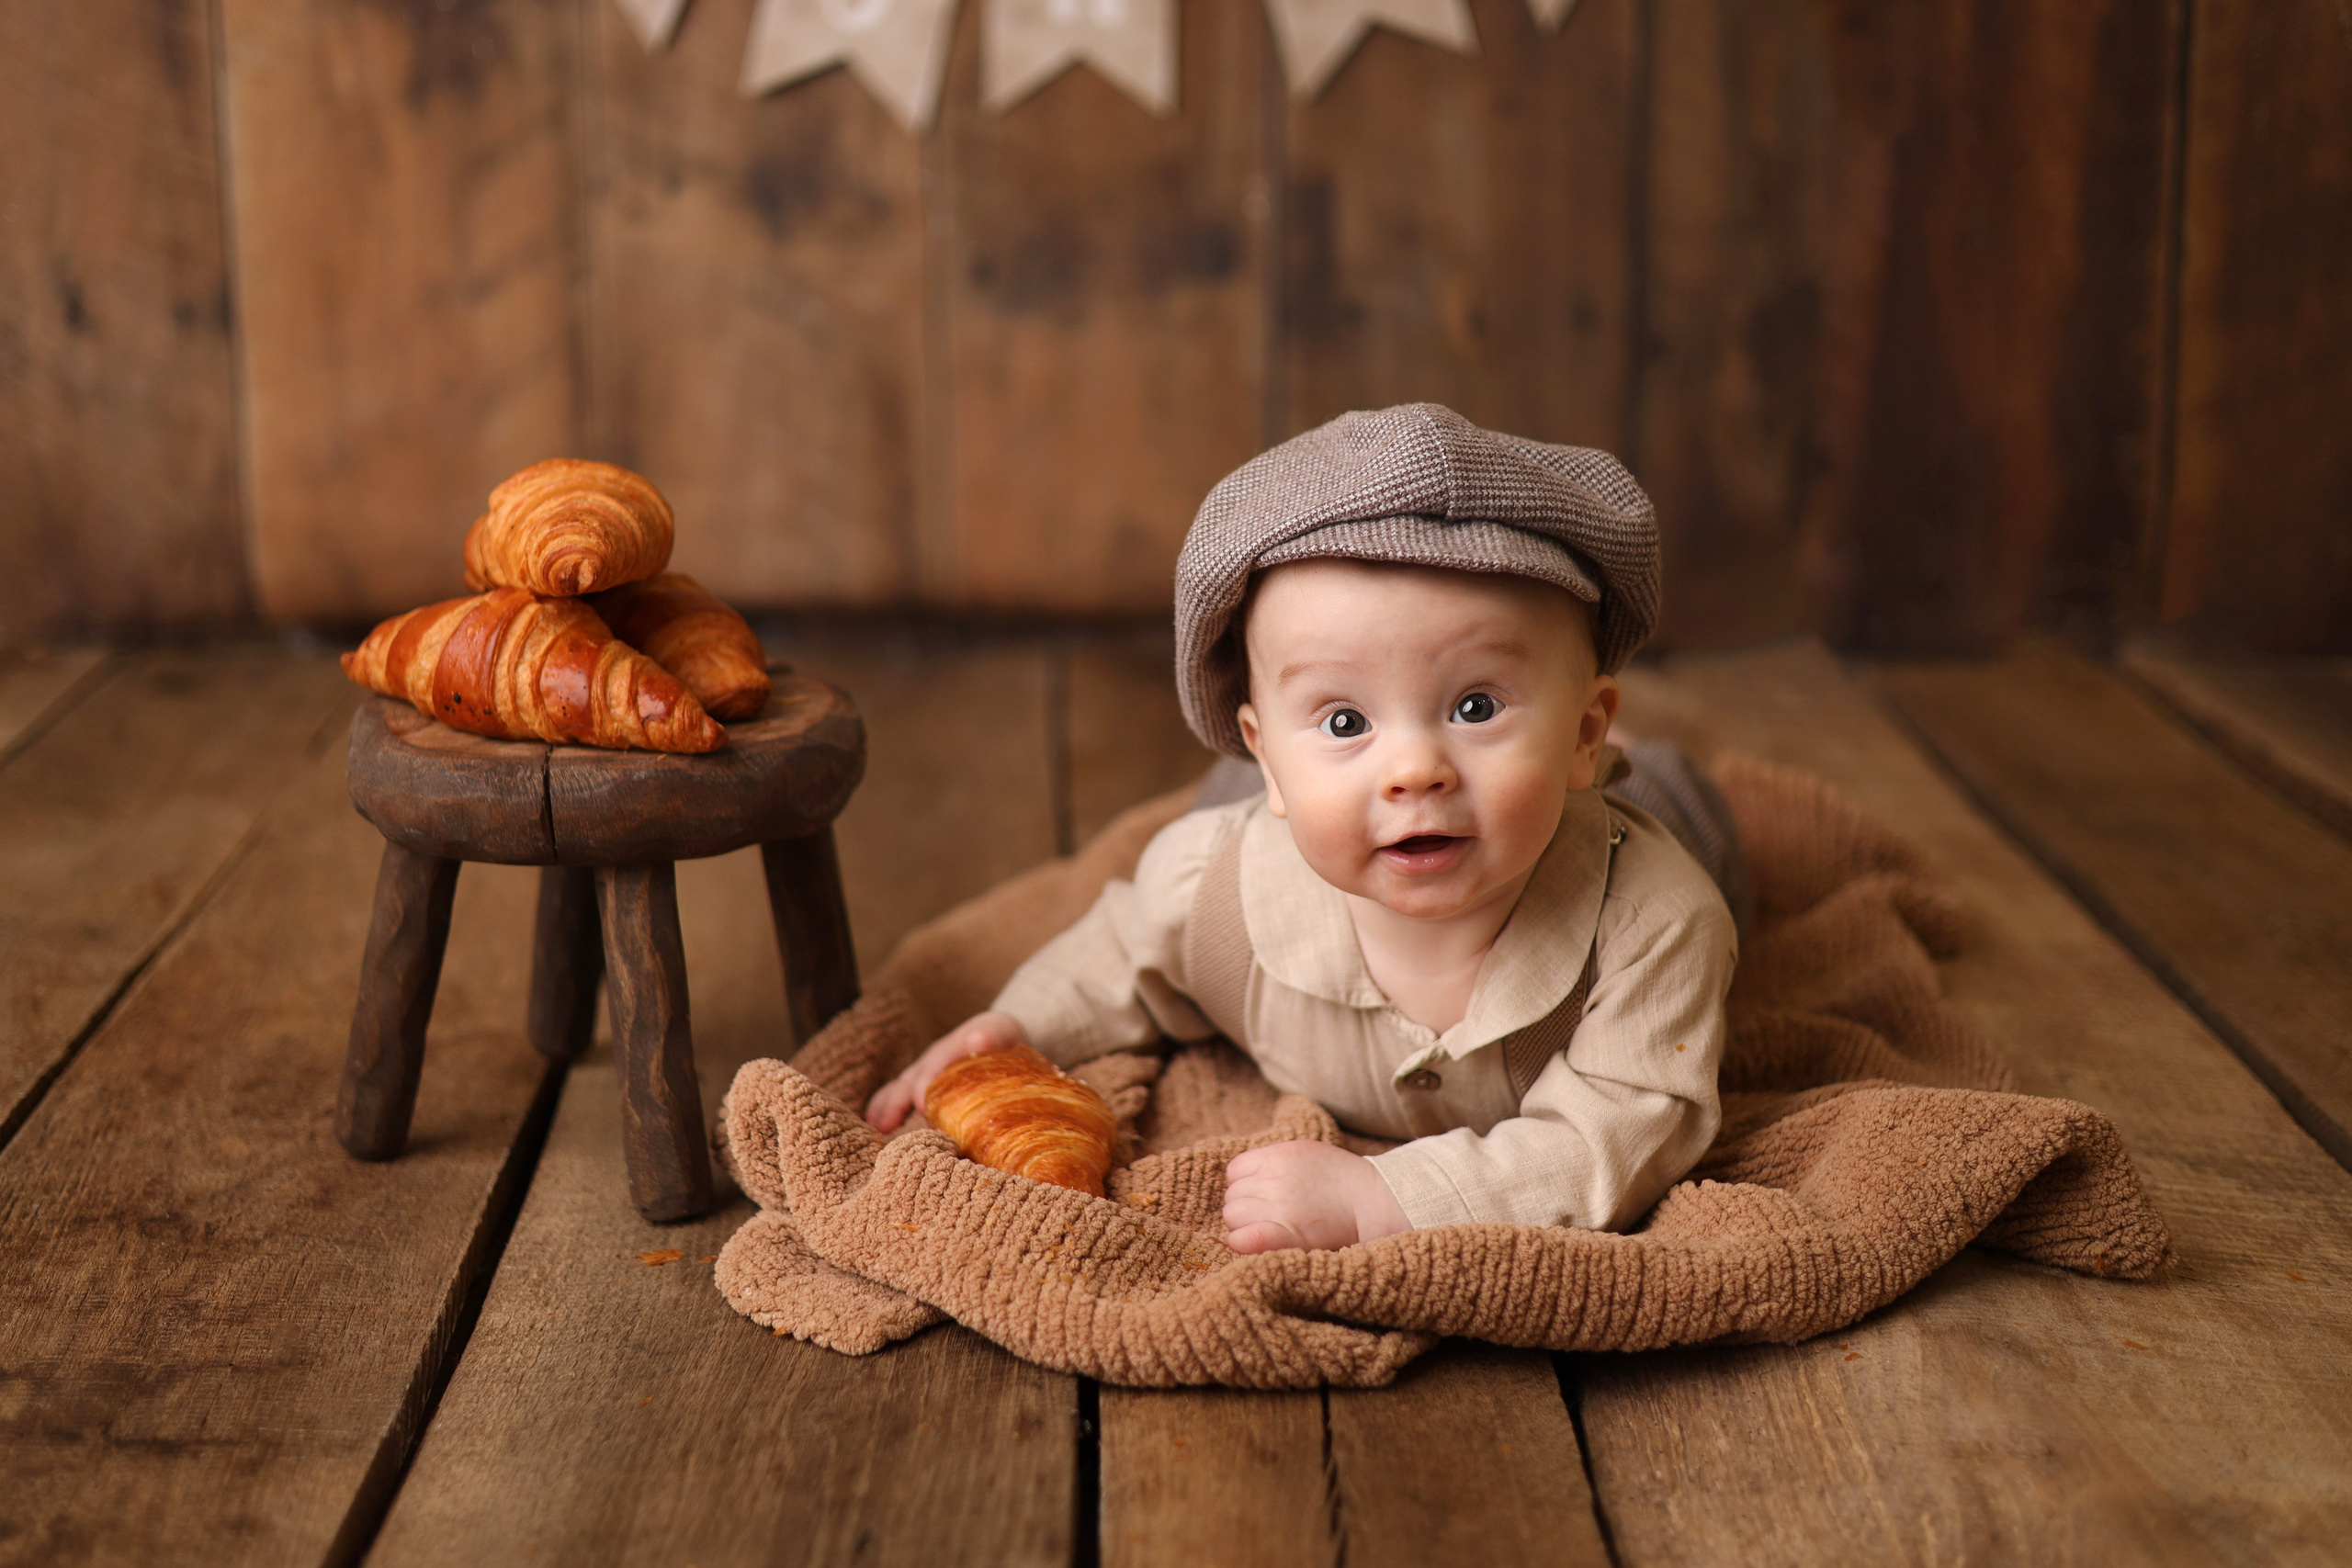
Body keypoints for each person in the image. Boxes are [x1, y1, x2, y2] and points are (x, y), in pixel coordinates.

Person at [866, 403, 1747, 1255]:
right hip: (1277, 817)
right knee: (1220, 816)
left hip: (1626, 820)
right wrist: (1018, 1025)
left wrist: (1383, 1195)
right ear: (1262, 751)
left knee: (1685, 799)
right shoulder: (1213, 889)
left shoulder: (1656, 927)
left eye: (1475, 705)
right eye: (1346, 718)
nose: (1415, 767)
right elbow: (1118, 950)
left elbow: (1620, 1136)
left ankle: (1597, 749)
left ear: (1583, 731)